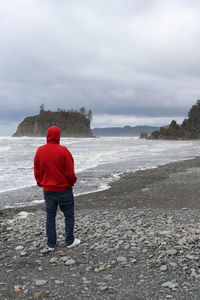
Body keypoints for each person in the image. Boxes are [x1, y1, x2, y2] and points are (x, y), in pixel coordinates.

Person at [34, 126, 80, 251]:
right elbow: (70, 172)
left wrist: (40, 182)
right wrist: (71, 182)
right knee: (69, 215)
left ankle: (51, 244)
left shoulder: (40, 151)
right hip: (64, 189)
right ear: (58, 136)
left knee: (50, 216)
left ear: (47, 135)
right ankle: (70, 241)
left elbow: (37, 170)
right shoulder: (64, 151)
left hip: (48, 190)